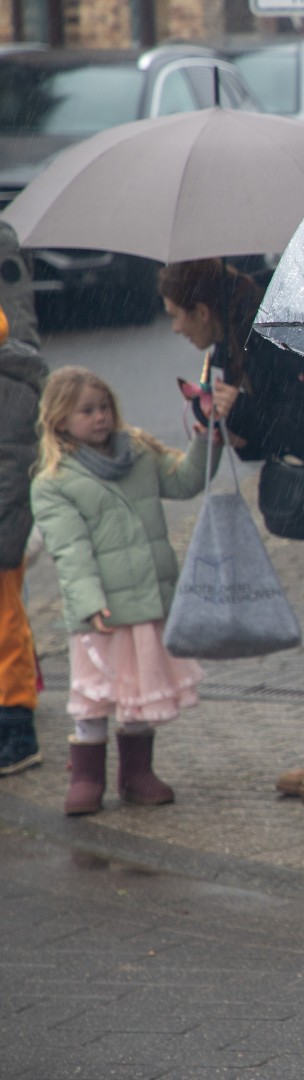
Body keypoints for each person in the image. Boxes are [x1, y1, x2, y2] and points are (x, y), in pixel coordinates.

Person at [159, 259, 304, 802]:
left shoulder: (275, 337)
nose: (174, 327)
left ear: (202, 310)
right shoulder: (230, 346)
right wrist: (234, 423)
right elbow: (271, 432)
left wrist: (246, 413)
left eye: (176, 315)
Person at [30, 368, 216, 815]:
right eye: (87, 411)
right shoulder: (54, 482)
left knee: (138, 693)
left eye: (104, 407)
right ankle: (86, 778)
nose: (100, 417)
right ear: (59, 419)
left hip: (146, 601)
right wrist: (90, 602)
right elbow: (70, 550)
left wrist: (206, 439)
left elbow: (185, 481)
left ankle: (136, 774)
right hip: (101, 611)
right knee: (93, 695)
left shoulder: (139, 454)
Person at [0, 222, 44, 777]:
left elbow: (12, 464)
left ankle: (16, 726)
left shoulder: (12, 380)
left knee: (7, 624)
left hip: (3, 529)